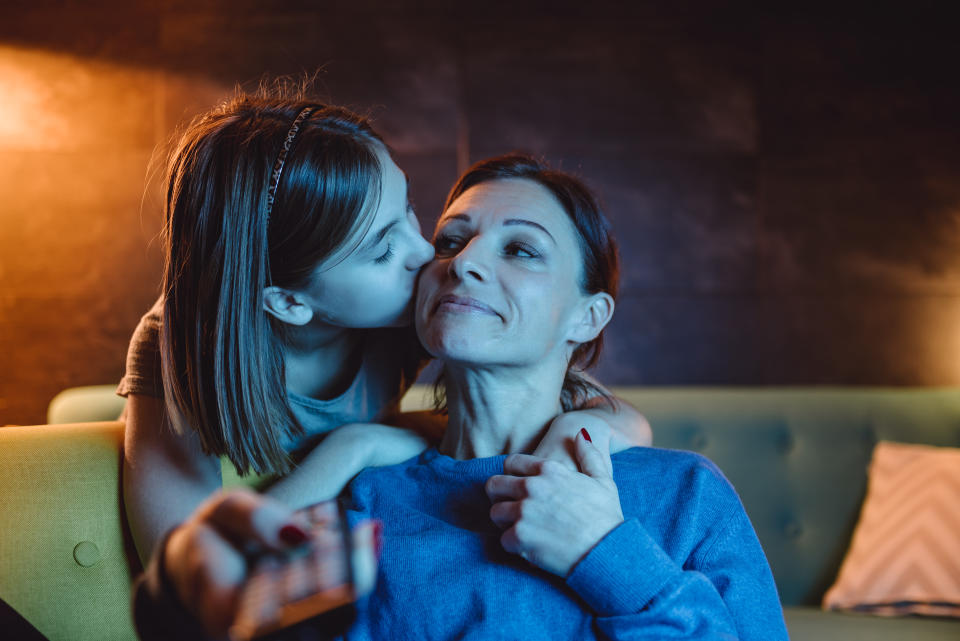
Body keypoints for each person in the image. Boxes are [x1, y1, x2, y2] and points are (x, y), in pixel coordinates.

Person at [133, 154, 789, 640]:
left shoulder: (683, 491)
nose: (465, 261)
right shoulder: (368, 498)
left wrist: (607, 551)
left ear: (587, 317)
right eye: (450, 240)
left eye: (523, 250)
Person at [120, 89, 652, 564]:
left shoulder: (417, 302)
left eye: (409, 212)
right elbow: (186, 566)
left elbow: (608, 411)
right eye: (381, 250)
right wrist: (353, 452)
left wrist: (364, 444)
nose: (429, 254)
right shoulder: (187, 348)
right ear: (287, 301)